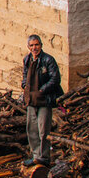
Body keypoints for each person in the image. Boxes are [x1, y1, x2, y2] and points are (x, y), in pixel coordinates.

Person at [21, 34, 62, 166]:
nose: (34, 48)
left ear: (41, 45)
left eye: (36, 45)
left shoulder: (48, 60)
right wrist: (24, 85)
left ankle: (44, 157)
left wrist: (42, 90)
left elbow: (55, 79)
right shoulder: (27, 59)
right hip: (31, 100)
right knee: (32, 129)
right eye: (32, 45)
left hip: (44, 99)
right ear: (28, 47)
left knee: (43, 129)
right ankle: (35, 156)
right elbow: (24, 75)